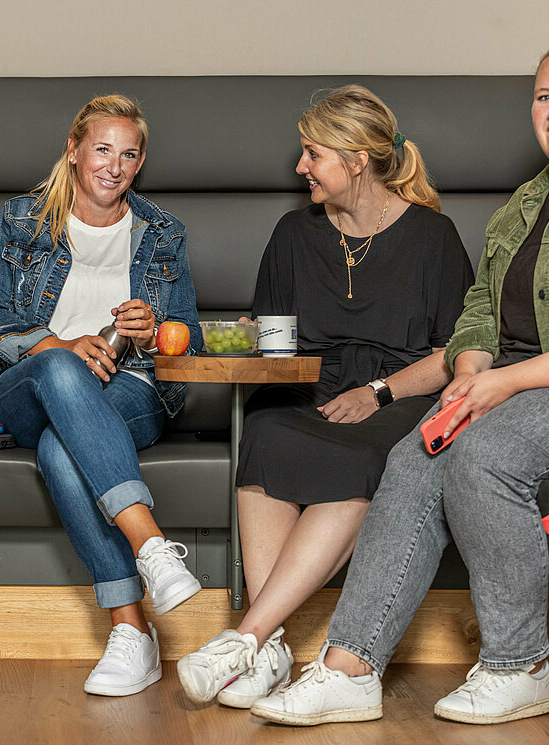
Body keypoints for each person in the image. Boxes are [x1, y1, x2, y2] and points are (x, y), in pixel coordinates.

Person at [249, 23, 549, 727]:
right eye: (545, 96)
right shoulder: (528, 202)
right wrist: (473, 365)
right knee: (419, 448)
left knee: (481, 453)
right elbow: (480, 304)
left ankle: (519, 664)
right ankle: (349, 667)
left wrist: (505, 383)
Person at [175, 86, 473, 708]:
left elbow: (456, 354)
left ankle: (245, 638)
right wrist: (193, 337)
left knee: (365, 461)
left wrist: (379, 392)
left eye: (312, 154)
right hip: (308, 387)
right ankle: (271, 645)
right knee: (264, 430)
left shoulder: (433, 239)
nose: (300, 167)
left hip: (398, 397)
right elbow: (266, 333)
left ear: (357, 160)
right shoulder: (294, 233)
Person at [0, 94, 203, 697]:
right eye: (102, 150)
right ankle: (151, 544)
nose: (113, 166)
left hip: (131, 387)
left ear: (140, 161)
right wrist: (58, 345)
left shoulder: (162, 232)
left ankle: (131, 632)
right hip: (30, 384)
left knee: (59, 448)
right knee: (61, 372)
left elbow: (190, 339)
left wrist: (155, 331)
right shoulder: (24, 218)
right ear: (74, 151)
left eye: (128, 155)